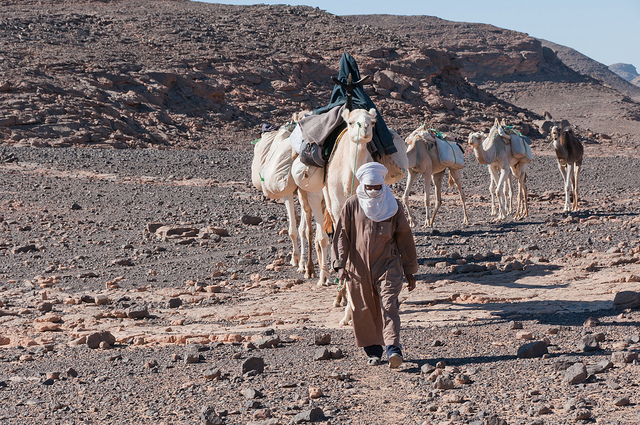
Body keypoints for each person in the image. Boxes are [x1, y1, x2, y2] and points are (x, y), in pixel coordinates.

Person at [331, 162, 418, 368]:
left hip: (388, 263)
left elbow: (404, 238)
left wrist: (410, 270)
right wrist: (339, 264)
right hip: (358, 266)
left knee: (389, 304)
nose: (372, 191)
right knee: (363, 309)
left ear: (382, 185)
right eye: (368, 187)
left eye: (376, 187)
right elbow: (342, 235)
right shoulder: (352, 204)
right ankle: (373, 351)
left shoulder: (393, 205)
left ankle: (393, 349)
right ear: (362, 185)